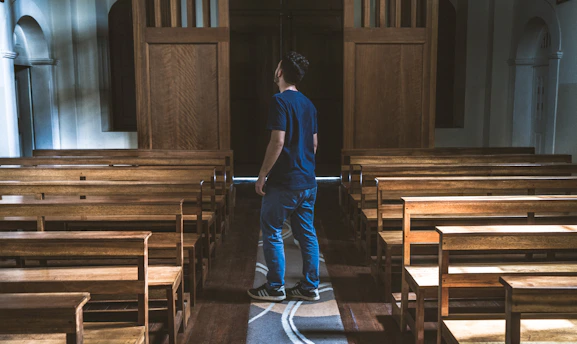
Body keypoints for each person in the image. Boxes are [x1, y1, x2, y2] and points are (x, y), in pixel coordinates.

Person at [247, 51, 320, 302]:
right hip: (308, 182)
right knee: (307, 234)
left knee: (272, 230)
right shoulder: (308, 104)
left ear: (280, 72)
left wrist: (261, 176)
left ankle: (275, 286)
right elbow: (314, 144)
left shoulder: (280, 101)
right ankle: (310, 287)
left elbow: (277, 142)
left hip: (284, 183)